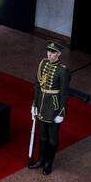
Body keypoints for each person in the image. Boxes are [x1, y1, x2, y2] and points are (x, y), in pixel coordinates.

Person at [30, 41, 71, 175]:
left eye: (53, 52)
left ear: (59, 53)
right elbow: (37, 85)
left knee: (52, 137)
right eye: (49, 51)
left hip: (53, 106)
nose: (50, 54)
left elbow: (64, 93)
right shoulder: (43, 63)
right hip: (42, 102)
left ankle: (49, 163)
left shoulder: (63, 70)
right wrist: (34, 104)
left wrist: (61, 112)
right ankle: (41, 159)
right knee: (43, 136)